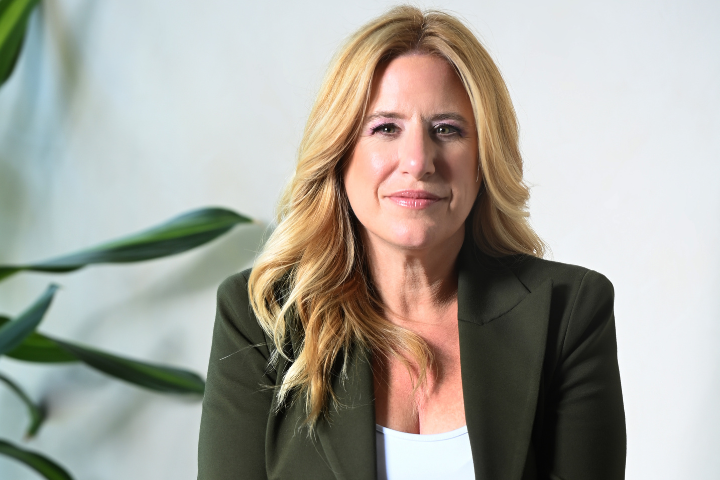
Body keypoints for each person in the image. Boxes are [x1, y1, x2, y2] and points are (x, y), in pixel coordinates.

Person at [198, 5, 626, 480]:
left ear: (484, 156)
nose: (419, 161)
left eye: (447, 129)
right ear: (340, 152)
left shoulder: (569, 313)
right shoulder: (260, 319)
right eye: (386, 128)